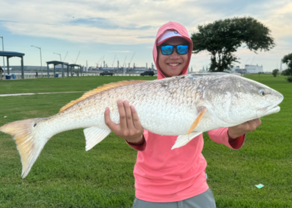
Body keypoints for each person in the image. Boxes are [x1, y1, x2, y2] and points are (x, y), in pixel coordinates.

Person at [104, 21, 261, 208]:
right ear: (156, 53)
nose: (174, 55)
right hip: (152, 193)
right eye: (167, 49)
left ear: (189, 52)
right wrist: (135, 138)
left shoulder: (200, 90)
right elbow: (143, 137)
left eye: (181, 48)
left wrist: (234, 132)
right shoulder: (144, 92)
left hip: (196, 189)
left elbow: (214, 129)